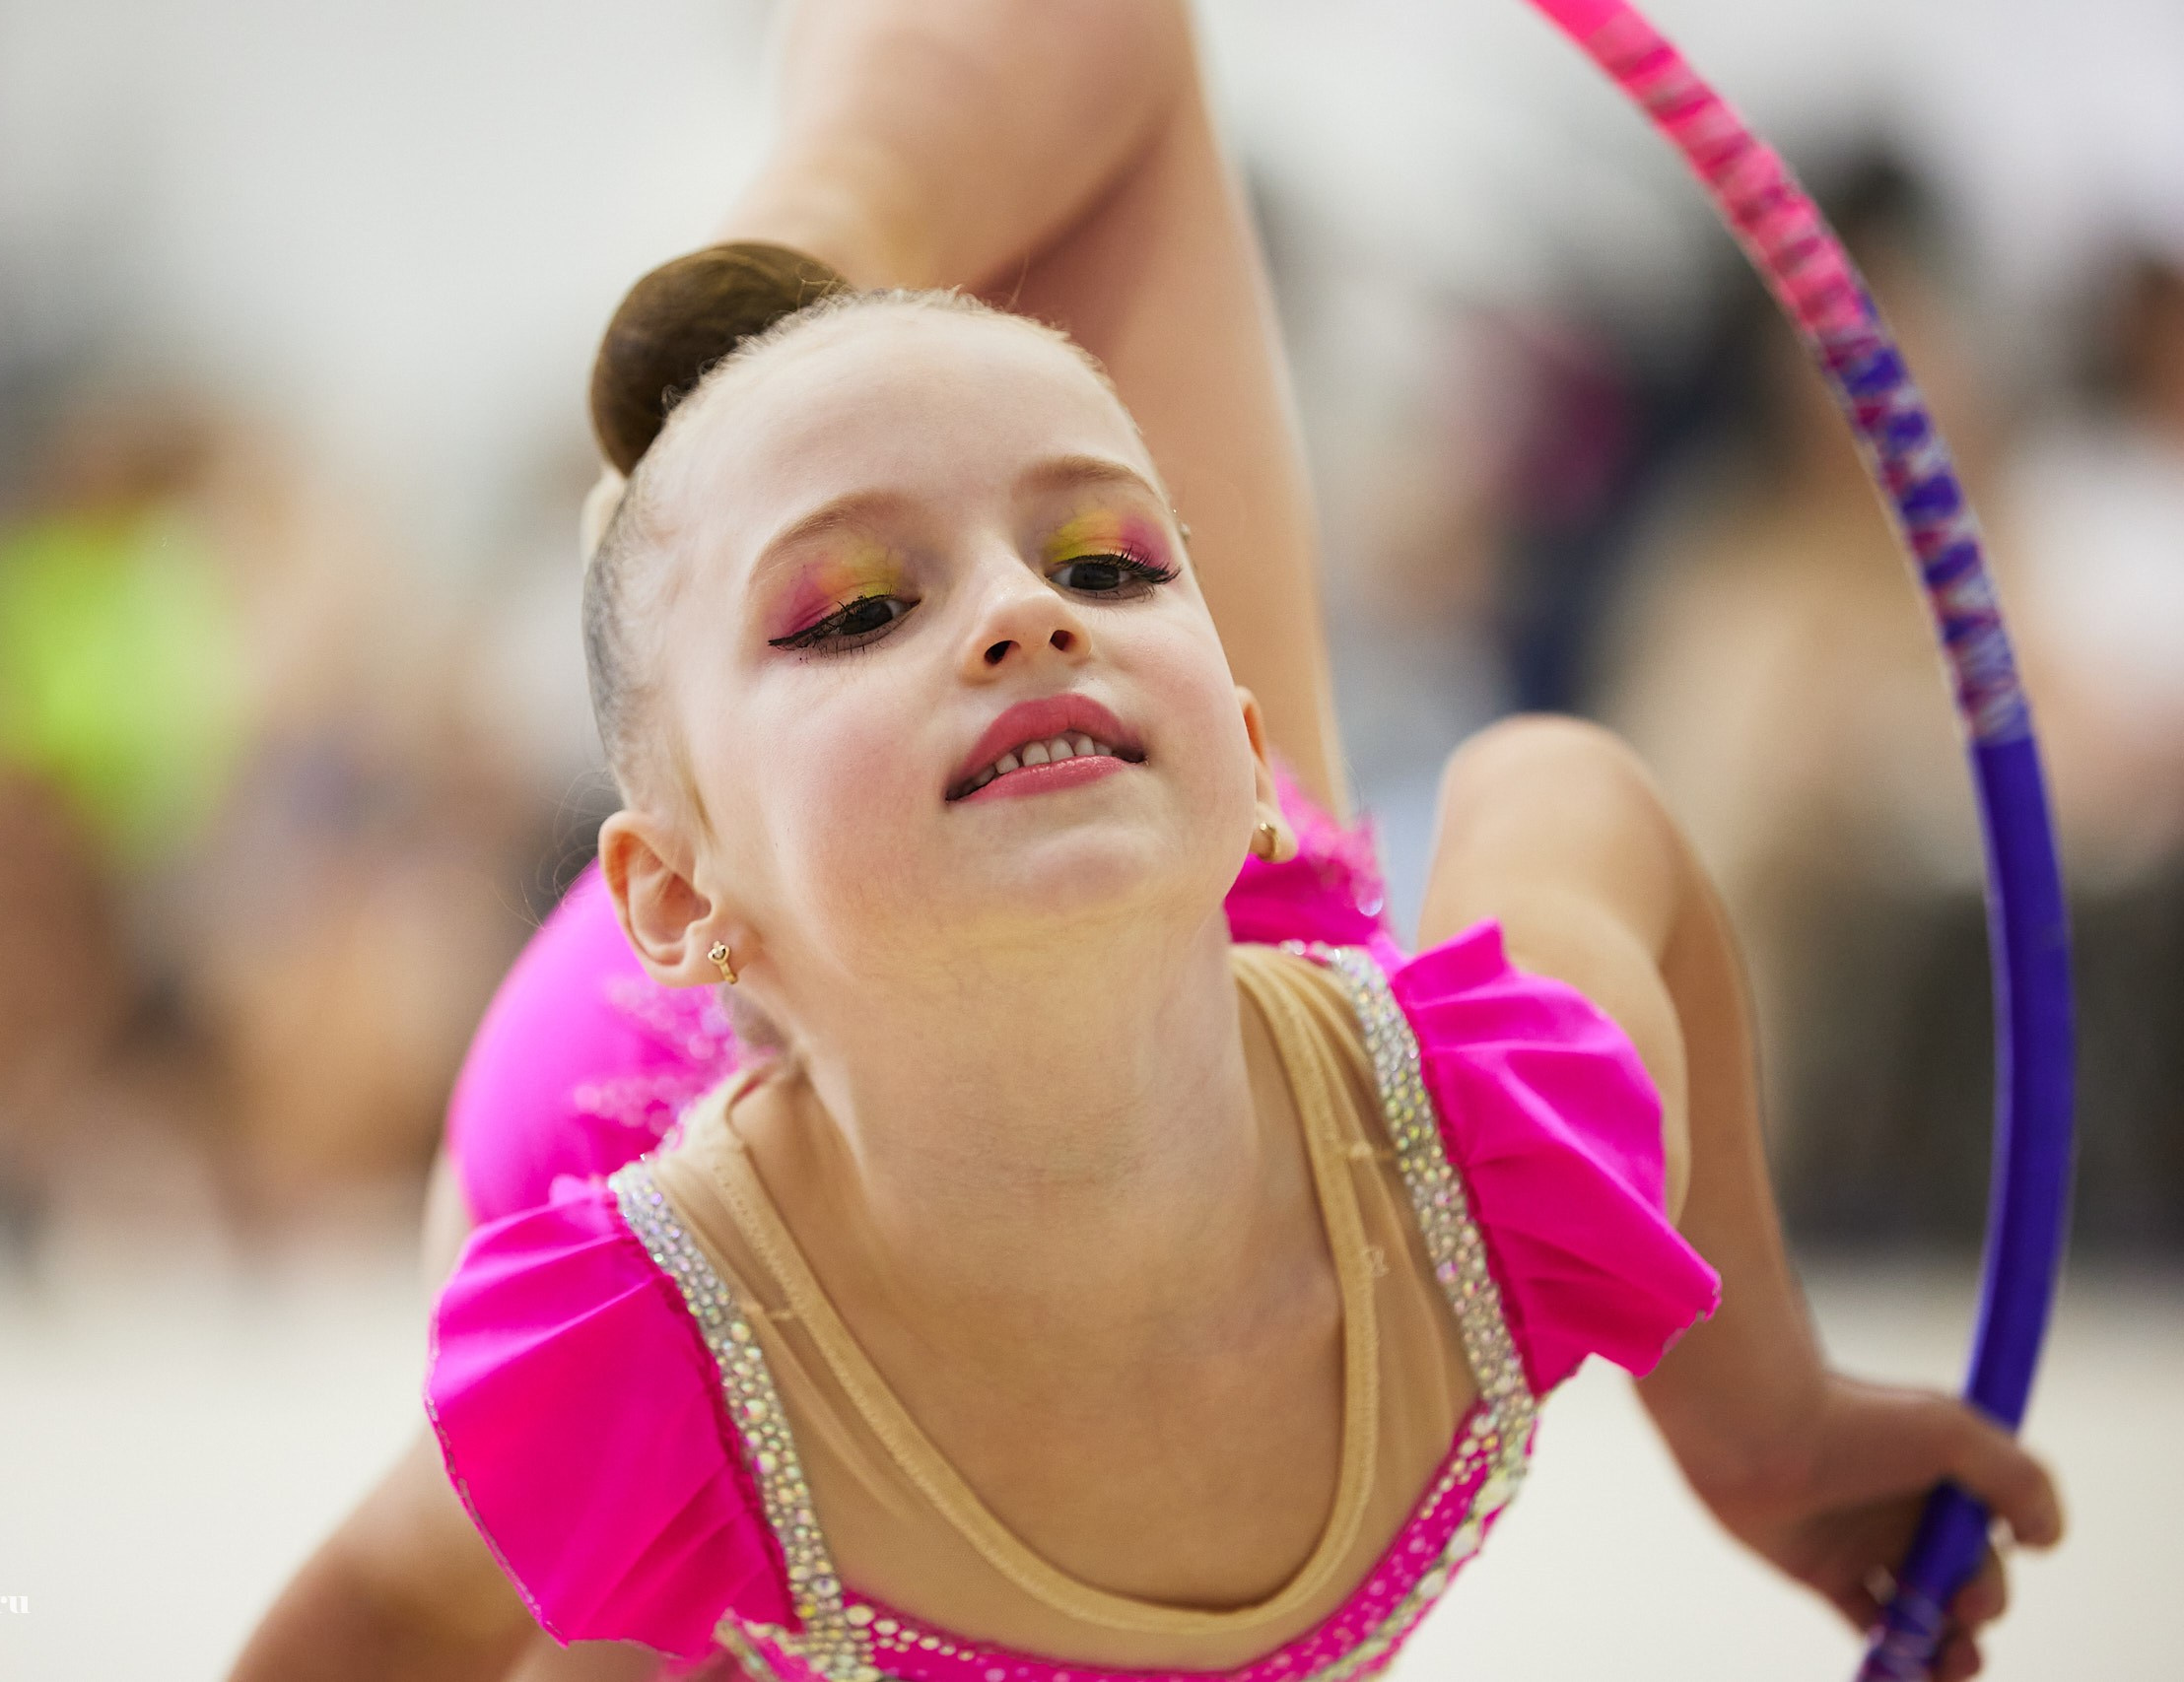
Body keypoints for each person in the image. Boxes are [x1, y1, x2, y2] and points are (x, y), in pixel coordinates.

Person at [231, 5, 2061, 1680]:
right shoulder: (660, 1364)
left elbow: (1573, 798)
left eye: (1106, 563)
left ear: (1243, 747)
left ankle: (800, 307)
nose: (1029, 612)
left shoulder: (1486, 1160)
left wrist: (1758, 1421)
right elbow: (385, 1619)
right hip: (660, 1127)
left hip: (1098, 911)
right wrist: (1764, 1421)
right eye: (855, 610)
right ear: (682, 884)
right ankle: (767, 399)